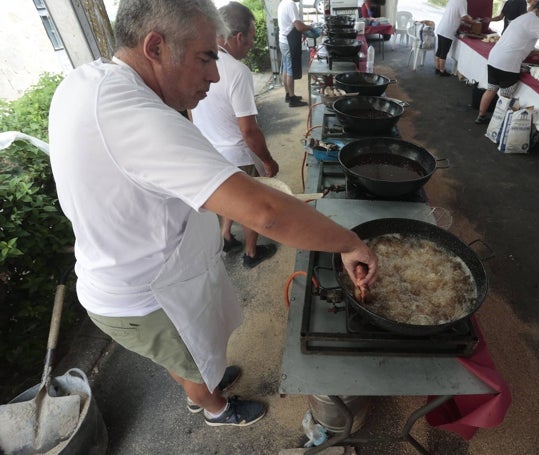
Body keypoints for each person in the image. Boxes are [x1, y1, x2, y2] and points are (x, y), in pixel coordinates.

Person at [48, 0, 377, 429]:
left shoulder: (90, 80)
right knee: (189, 362)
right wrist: (349, 242)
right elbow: (266, 214)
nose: (215, 74)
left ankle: (205, 381)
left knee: (195, 354)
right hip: (147, 293)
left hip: (145, 270)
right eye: (205, 57)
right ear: (155, 47)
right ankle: (215, 407)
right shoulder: (130, 114)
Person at [192, 2, 280, 269]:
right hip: (236, 153)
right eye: (252, 38)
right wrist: (268, 161)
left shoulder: (197, 61)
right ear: (239, 37)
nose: (252, 44)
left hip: (210, 150)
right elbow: (249, 131)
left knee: (229, 199)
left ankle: (227, 236)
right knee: (250, 205)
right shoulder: (238, 72)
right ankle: (251, 253)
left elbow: (190, 111)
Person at [475, 0, 539, 124]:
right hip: (508, 63)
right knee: (505, 96)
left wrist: (533, 50)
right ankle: (497, 123)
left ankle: (481, 116)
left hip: (495, 58)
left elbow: (519, 42)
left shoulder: (523, 17)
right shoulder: (535, 21)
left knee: (491, 89)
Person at [278, 0, 315, 107]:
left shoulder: (283, 3)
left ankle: (288, 95)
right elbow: (299, 26)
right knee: (290, 70)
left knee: (286, 68)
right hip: (289, 42)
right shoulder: (290, 4)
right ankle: (292, 99)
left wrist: (303, 31)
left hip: (283, 40)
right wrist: (310, 27)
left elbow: (292, 24)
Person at [435, 0, 473, 76]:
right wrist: (471, 19)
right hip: (448, 30)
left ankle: (437, 69)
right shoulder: (463, 1)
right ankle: (442, 71)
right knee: (444, 52)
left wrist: (464, 21)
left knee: (439, 50)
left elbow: (455, 15)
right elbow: (464, 17)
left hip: (442, 27)